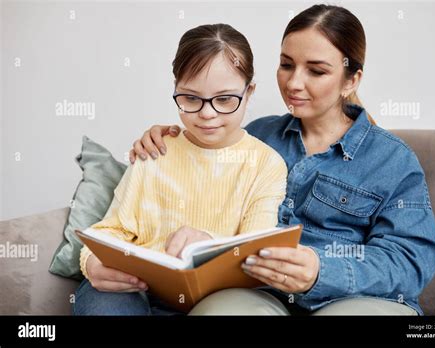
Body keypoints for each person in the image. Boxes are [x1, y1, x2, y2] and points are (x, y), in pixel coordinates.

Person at [130, 4, 435, 315]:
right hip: (261, 294)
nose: (293, 83)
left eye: (316, 71)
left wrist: (321, 271)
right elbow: (202, 184)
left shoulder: (392, 159)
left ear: (351, 80)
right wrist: (170, 139)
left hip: (355, 299)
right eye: (286, 65)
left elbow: (411, 261)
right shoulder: (257, 135)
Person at [73, 23, 291, 315]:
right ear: (175, 89)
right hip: (134, 288)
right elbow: (111, 229)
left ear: (249, 92)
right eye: (190, 98)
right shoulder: (156, 149)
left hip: (213, 299)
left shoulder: (266, 164)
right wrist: (91, 262)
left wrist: (210, 244)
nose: (207, 113)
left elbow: (254, 249)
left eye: (225, 99)